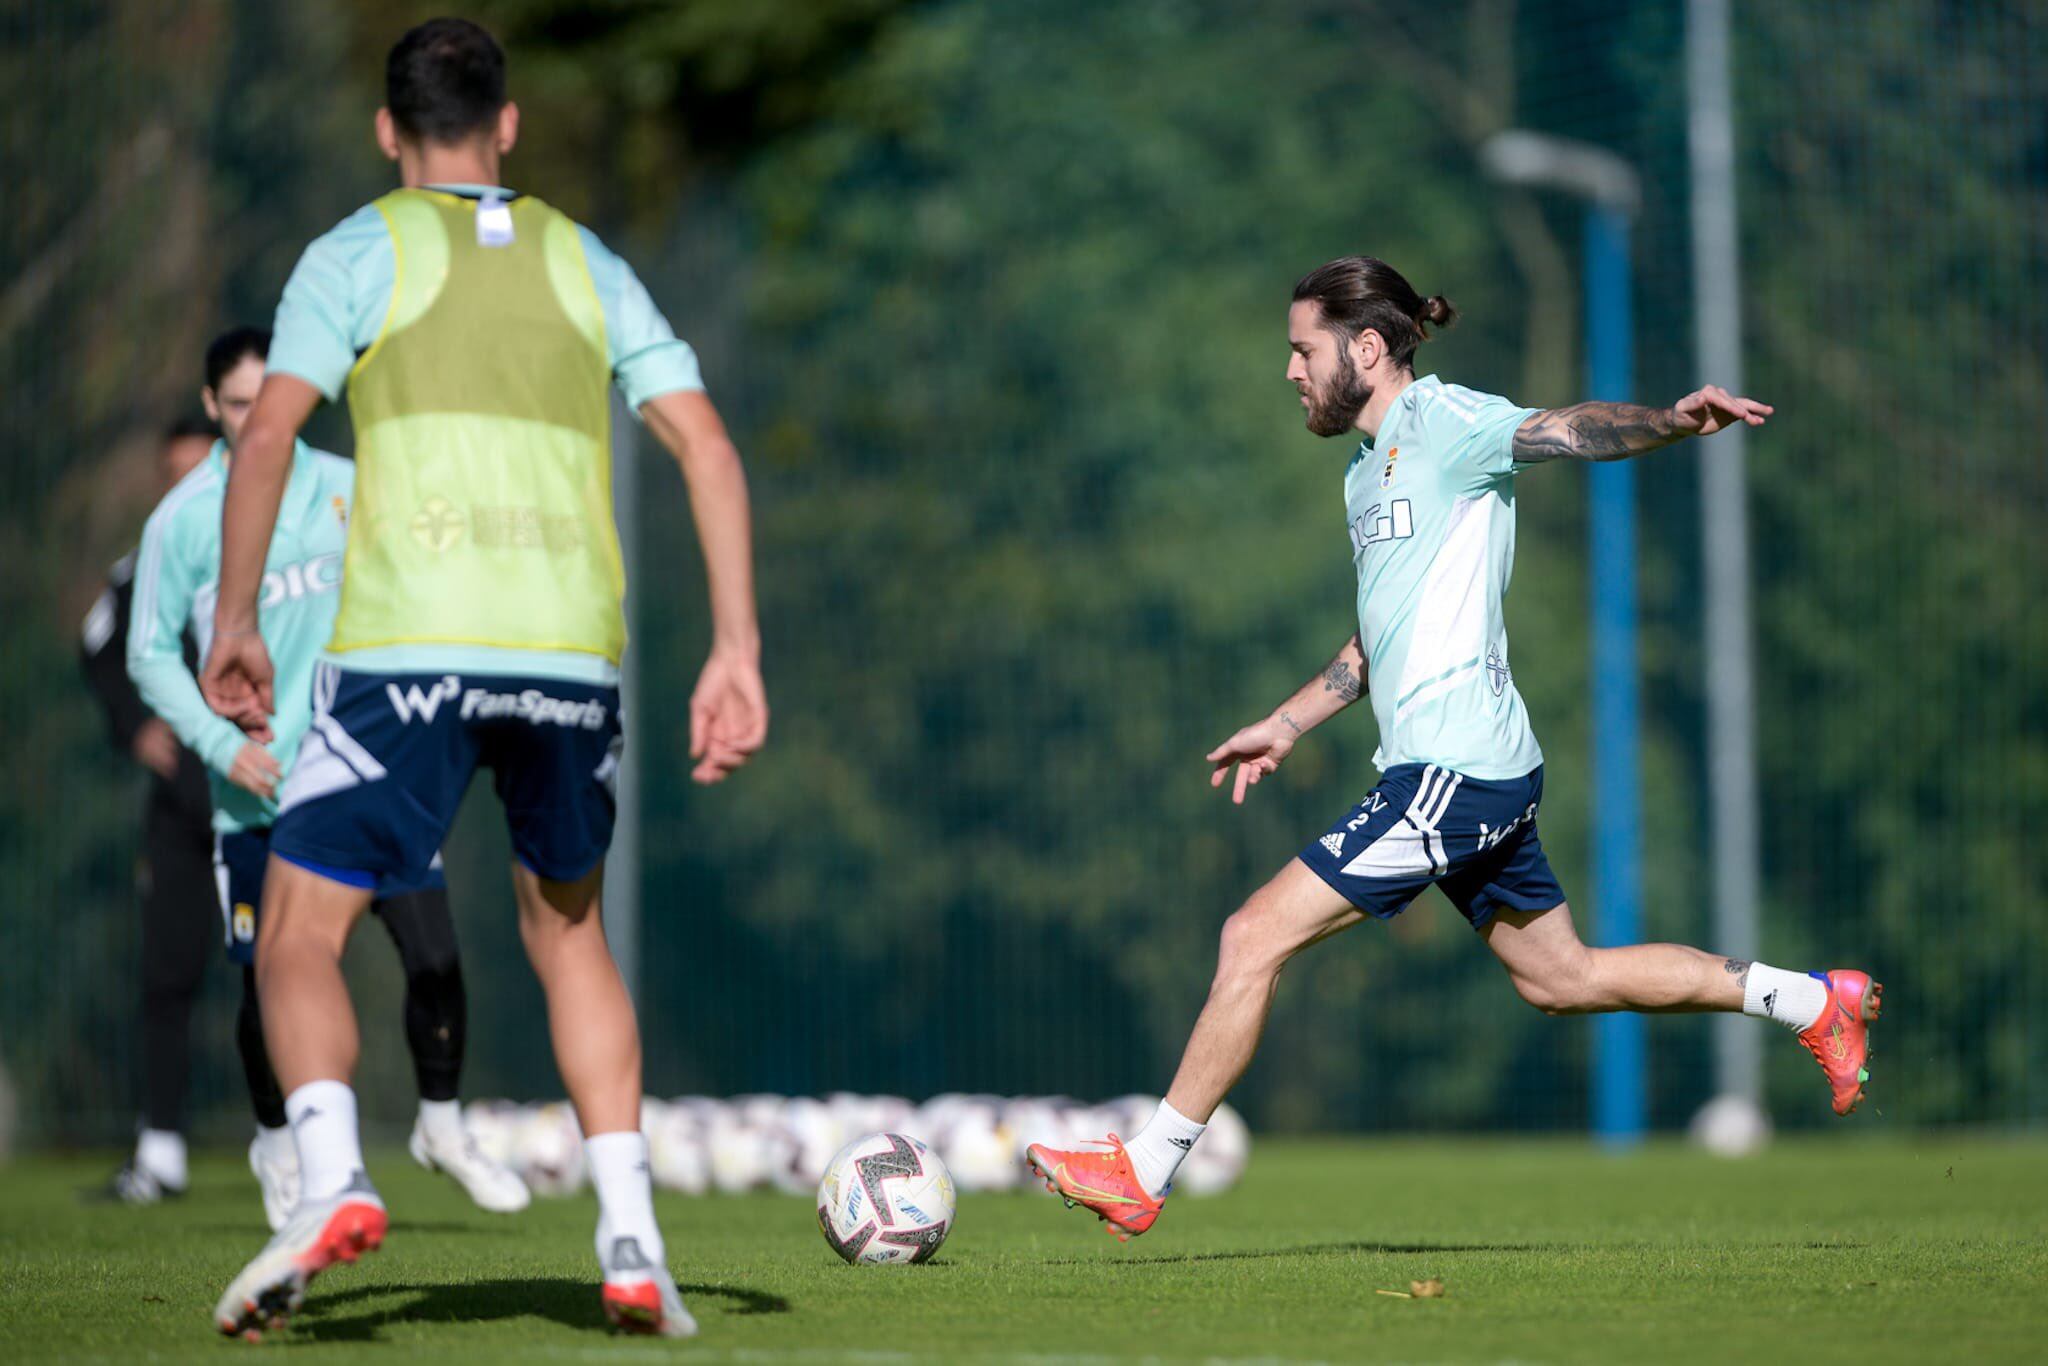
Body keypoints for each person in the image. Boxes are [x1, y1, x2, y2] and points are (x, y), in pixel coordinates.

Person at [1025, 256, 1881, 1242]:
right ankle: (1812, 1000)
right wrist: (1290, 720)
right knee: (1563, 979)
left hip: (1452, 772)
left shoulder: (1445, 424)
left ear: (1367, 347)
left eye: (1301, 351)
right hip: (1464, 771)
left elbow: (1564, 430)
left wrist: (1671, 421)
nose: (1290, 372)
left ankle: (1142, 1168)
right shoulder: (1362, 476)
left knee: (1249, 936)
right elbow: (1373, 640)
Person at [202, 19, 765, 1340]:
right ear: (507, 125)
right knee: (570, 935)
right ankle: (632, 1240)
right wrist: (735, 647)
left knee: (297, 930)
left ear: (388, 131)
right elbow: (711, 448)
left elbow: (274, 428)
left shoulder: (356, 252)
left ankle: (332, 1173)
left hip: (408, 645)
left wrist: (235, 617)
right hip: (569, 650)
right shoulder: (584, 259)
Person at [130, 326, 530, 1229]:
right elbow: (148, 654)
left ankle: (441, 1124)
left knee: (434, 954)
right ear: (210, 408)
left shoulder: (353, 492)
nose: (257, 417)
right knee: (264, 975)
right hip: (258, 791)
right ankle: (277, 1139)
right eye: (237, 403)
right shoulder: (183, 520)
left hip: (365, 776)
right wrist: (220, 745)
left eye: (273, 397)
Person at [81, 416, 218, 1203]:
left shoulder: (275, 556)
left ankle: (298, 1146)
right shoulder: (145, 568)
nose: (188, 487)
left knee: (281, 967)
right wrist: (137, 728)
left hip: (265, 794)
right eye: (177, 473)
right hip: (181, 805)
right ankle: (160, 1150)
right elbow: (97, 648)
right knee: (167, 973)